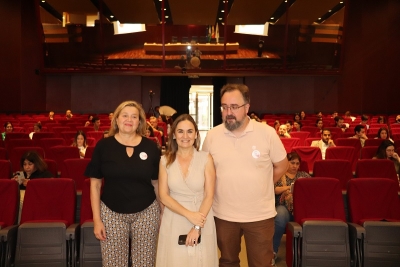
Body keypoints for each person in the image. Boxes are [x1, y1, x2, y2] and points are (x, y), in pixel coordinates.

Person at [202, 84, 288, 267]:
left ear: (247, 107)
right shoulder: (212, 136)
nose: (228, 112)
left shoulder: (267, 133)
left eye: (234, 107)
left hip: (259, 216)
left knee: (261, 263)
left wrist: (264, 183)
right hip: (223, 214)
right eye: (224, 107)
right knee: (227, 262)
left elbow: (282, 165)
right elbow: (206, 172)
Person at [84, 100, 161, 267]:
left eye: (134, 116)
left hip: (147, 213)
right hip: (112, 214)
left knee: (145, 264)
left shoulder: (151, 147)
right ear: (117, 120)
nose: (129, 119)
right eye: (125, 115)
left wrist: (162, 214)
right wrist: (97, 220)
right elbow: (95, 185)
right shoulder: (103, 146)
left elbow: (156, 183)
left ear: (140, 122)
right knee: (113, 264)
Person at [156, 114, 218, 266]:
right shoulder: (165, 160)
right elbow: (163, 196)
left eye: (190, 131)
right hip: (174, 217)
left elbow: (209, 195)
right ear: (174, 135)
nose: (185, 136)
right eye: (180, 131)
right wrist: (189, 215)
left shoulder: (206, 158)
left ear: (196, 134)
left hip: (201, 217)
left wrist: (197, 226)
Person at [273, 152, 311, 259]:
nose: (295, 166)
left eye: (297, 164)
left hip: (302, 207)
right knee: (280, 216)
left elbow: (312, 189)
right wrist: (291, 187)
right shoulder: (280, 175)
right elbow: (275, 189)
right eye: (292, 163)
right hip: (284, 207)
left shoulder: (304, 175)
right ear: (287, 163)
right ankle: (273, 251)